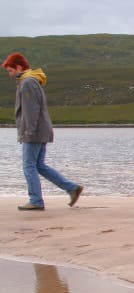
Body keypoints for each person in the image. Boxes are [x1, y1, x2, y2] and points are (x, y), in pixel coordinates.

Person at [3, 52, 83, 211]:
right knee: (38, 165)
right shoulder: (31, 81)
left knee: (29, 166)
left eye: (11, 71)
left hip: (34, 132)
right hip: (40, 131)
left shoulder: (27, 83)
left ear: (19, 67)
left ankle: (36, 200)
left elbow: (31, 110)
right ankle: (72, 188)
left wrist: (29, 133)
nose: (10, 74)